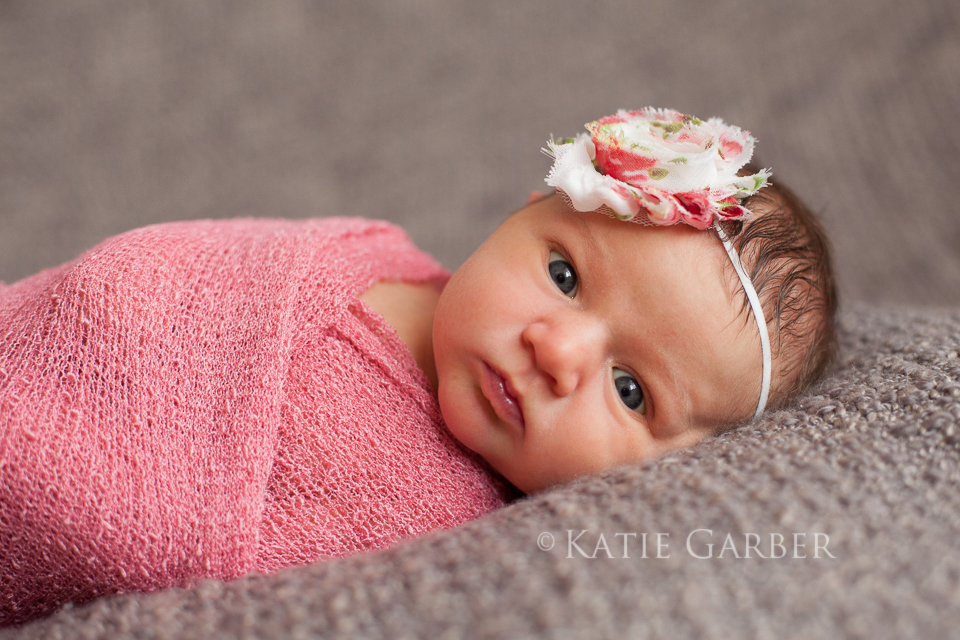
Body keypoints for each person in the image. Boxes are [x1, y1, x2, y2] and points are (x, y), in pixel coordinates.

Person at [0, 108, 836, 625]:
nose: (557, 350)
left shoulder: (475, 550)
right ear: (521, 213)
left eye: (631, 390)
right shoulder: (362, 252)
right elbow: (136, 285)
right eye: (565, 275)